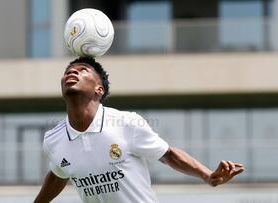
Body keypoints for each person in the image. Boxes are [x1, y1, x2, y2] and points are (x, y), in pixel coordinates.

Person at [34, 57, 244, 203]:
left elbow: (168, 155)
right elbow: (58, 174)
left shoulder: (126, 123)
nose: (72, 72)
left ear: (99, 89)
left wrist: (208, 176)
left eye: (82, 70)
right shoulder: (54, 140)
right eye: (68, 71)